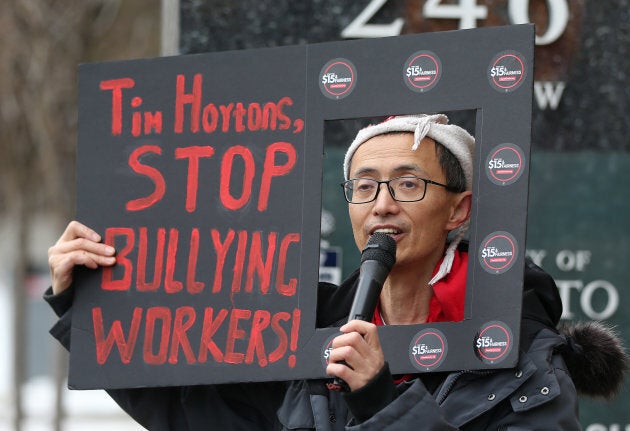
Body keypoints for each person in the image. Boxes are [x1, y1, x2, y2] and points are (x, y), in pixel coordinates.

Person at [46, 114, 627, 430]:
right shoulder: (311, 333)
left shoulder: (525, 355)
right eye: (365, 186)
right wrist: (87, 303)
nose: (382, 205)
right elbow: (187, 410)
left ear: (459, 208)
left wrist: (382, 401)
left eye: (408, 183)